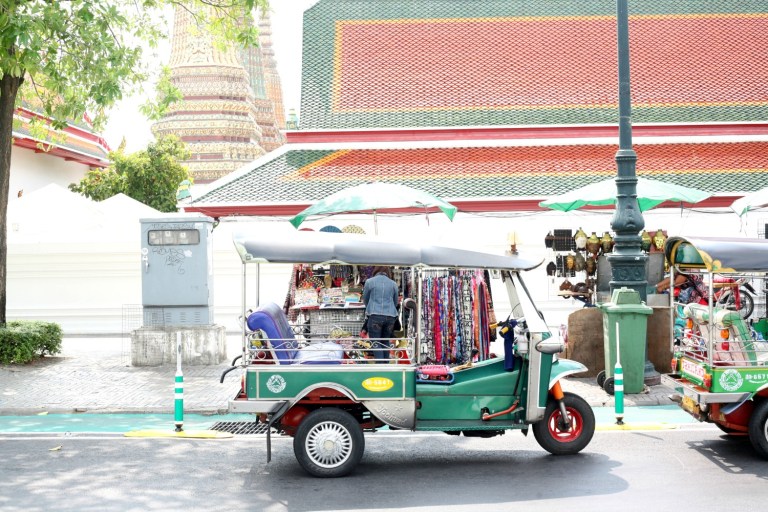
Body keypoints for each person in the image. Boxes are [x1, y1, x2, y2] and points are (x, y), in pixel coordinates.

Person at [362, 266, 399, 362]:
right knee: (385, 341)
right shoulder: (393, 284)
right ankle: (386, 365)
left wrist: (370, 307)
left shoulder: (369, 282)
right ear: (388, 272)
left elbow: (365, 299)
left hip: (375, 315)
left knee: (375, 342)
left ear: (375, 271)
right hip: (391, 316)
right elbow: (395, 302)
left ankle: (381, 366)